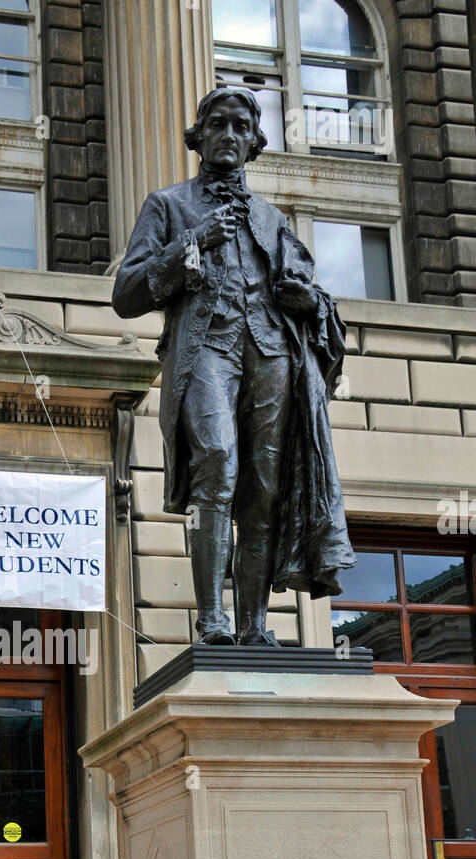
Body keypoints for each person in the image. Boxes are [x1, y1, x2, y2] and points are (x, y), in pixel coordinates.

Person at [113, 86, 354, 646]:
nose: (228, 134)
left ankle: (253, 627)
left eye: (241, 127)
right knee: (218, 464)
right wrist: (189, 244)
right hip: (206, 353)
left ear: (253, 142)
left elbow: (314, 300)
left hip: (270, 356)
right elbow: (126, 293)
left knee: (264, 490)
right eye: (217, 124)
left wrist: (307, 300)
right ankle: (212, 622)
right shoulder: (169, 205)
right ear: (200, 137)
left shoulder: (273, 218)